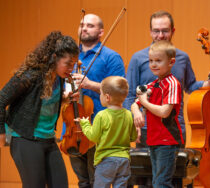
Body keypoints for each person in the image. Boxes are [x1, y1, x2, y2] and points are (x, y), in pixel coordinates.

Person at [124, 10, 210, 148]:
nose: (161, 35)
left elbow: (190, 85)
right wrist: (133, 122)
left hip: (175, 129)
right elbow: (130, 95)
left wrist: (208, 83)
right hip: (147, 129)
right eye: (156, 31)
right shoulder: (138, 58)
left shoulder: (182, 58)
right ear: (150, 31)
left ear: (173, 31)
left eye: (165, 31)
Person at [0, 31, 79, 188]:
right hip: (26, 139)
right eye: (68, 63)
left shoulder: (60, 77)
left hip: (48, 139)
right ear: (54, 57)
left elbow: (43, 102)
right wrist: (1, 131)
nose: (71, 68)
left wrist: (65, 99)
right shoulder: (30, 76)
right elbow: (1, 100)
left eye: (74, 63)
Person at [63, 13, 126, 188]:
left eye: (90, 25)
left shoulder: (111, 57)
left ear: (101, 32)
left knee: (98, 180)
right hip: (72, 127)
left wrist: (90, 84)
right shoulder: (70, 57)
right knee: (82, 181)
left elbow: (119, 91)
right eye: (82, 24)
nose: (84, 28)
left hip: (99, 126)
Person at [131, 40, 184, 187]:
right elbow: (134, 104)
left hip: (167, 140)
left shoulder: (172, 83)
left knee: (162, 183)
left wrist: (145, 103)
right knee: (157, 182)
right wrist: (137, 113)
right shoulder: (152, 84)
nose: (153, 64)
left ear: (171, 62)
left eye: (158, 61)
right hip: (154, 140)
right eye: (151, 61)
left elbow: (165, 112)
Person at [75, 76, 137, 187]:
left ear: (107, 97)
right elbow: (133, 137)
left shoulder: (101, 116)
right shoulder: (128, 114)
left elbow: (93, 137)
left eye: (101, 94)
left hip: (106, 160)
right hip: (124, 160)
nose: (100, 96)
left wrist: (85, 124)